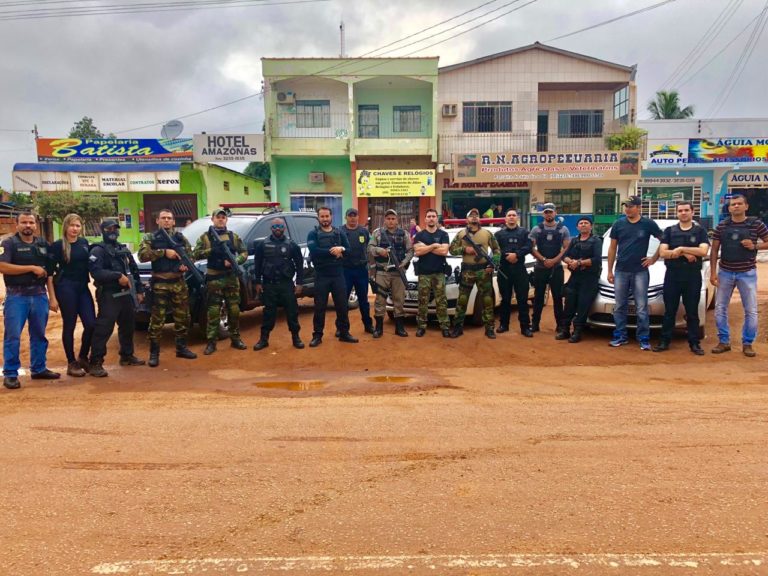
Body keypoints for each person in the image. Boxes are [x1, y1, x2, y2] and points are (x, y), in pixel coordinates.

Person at [0, 211, 60, 389]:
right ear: (17, 224)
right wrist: (31, 268)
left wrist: (52, 298)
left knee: (39, 335)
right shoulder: (8, 244)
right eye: (24, 222)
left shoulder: (43, 244)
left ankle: (39, 368)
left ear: (36, 225)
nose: (28, 225)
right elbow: (2, 266)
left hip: (39, 295)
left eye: (31, 222)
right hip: (16, 296)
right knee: (12, 336)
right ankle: (11, 373)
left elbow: (49, 273)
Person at [709, 194, 768, 357]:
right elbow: (714, 250)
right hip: (725, 272)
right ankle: (723, 341)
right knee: (720, 308)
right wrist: (713, 273)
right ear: (729, 208)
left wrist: (755, 245)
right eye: (733, 204)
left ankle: (747, 343)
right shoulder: (722, 226)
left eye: (739, 203)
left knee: (751, 310)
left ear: (746, 206)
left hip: (747, 273)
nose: (736, 206)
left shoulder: (756, 224)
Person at [138, 208, 197, 367]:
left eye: (169, 218)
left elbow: (191, 255)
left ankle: (181, 348)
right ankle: (154, 353)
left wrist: (184, 265)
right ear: (157, 220)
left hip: (178, 282)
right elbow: (142, 255)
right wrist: (164, 252)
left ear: (173, 221)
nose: (166, 220)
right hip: (160, 284)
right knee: (157, 320)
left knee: (183, 317)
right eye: (163, 218)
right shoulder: (150, 237)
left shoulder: (180, 237)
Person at [88, 219, 145, 377]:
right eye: (109, 229)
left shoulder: (123, 249)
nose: (113, 231)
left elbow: (134, 270)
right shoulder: (97, 250)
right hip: (109, 294)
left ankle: (127, 356)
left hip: (126, 294)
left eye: (115, 228)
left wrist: (139, 290)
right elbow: (96, 272)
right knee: (104, 329)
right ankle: (95, 362)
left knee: (128, 326)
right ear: (103, 231)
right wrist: (117, 276)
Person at [652, 203, 710, 355]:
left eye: (686, 210)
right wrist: (685, 253)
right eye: (680, 211)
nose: (683, 213)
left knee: (692, 312)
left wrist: (680, 249)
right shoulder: (670, 231)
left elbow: (703, 251)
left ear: (692, 212)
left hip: (692, 276)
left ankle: (694, 343)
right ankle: (664, 341)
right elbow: (663, 253)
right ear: (677, 213)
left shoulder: (700, 231)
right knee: (669, 311)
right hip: (673, 275)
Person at [606, 195, 663, 350]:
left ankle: (643, 338)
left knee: (641, 307)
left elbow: (664, 240)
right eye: (626, 206)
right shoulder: (618, 224)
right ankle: (620, 336)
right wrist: (610, 270)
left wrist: (653, 258)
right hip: (621, 271)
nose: (627, 209)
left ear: (639, 208)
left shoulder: (648, 224)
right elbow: (612, 248)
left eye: (631, 206)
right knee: (619, 306)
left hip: (640, 271)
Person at [193, 209, 248, 355]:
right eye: (218, 217)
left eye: (223, 217)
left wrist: (235, 260)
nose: (221, 219)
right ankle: (211, 342)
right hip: (214, 278)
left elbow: (244, 252)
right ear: (212, 219)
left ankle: (235, 338)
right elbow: (195, 254)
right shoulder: (205, 237)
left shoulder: (233, 236)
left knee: (234, 310)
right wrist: (211, 251)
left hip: (231, 278)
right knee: (213, 312)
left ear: (226, 220)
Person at [49, 213, 96, 377]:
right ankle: (71, 362)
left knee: (91, 324)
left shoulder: (83, 243)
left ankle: (83, 357)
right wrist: (52, 297)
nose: (75, 229)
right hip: (65, 287)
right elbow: (49, 274)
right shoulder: (58, 246)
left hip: (82, 287)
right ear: (65, 227)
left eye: (78, 225)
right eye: (72, 225)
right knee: (69, 324)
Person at [307, 206, 358, 347]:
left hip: (338, 275)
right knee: (319, 307)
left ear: (331, 217)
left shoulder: (339, 233)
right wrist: (334, 251)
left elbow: (349, 250)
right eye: (322, 216)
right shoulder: (313, 234)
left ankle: (344, 333)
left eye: (327, 216)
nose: (325, 219)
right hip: (321, 275)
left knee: (342, 306)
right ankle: (317, 335)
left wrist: (341, 248)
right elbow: (314, 251)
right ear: (318, 218)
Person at [251, 217, 305, 351]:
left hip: (286, 285)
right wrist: (258, 282)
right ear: (271, 228)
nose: (278, 229)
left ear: (284, 228)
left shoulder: (291, 245)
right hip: (269, 285)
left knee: (292, 312)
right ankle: (264, 339)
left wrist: (299, 283)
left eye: (280, 226)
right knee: (268, 313)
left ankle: (296, 337)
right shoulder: (263, 245)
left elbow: (299, 264)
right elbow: (257, 264)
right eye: (275, 227)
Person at [448, 207, 501, 339]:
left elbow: (496, 250)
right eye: (471, 215)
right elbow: (452, 250)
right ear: (467, 219)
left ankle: (489, 329)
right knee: (462, 300)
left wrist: (492, 264)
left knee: (487, 301)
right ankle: (458, 328)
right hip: (467, 271)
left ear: (479, 218)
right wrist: (465, 249)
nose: (474, 217)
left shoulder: (487, 233)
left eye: (476, 215)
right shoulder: (461, 234)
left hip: (483, 271)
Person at [369, 209, 414, 338]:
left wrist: (404, 262)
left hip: (398, 273)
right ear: (385, 220)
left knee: (399, 300)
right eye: (388, 218)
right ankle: (379, 328)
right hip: (382, 272)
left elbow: (411, 250)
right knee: (380, 300)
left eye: (393, 218)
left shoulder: (404, 234)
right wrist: (380, 251)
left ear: (397, 220)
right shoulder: (377, 233)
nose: (390, 221)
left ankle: (399, 328)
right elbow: (370, 248)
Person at [529, 203, 570, 337]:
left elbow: (566, 248)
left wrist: (554, 260)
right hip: (540, 268)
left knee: (557, 298)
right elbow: (531, 247)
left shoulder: (563, 229)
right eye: (546, 212)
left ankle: (560, 325)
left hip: (556, 268)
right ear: (543, 214)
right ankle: (535, 324)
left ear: (555, 213)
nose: (548, 214)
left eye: (551, 212)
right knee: (538, 297)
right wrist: (544, 259)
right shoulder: (536, 229)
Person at [560, 216, 602, 343]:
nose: (583, 225)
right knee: (569, 304)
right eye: (581, 223)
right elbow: (564, 256)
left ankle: (577, 332)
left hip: (589, 279)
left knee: (583, 305)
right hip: (575, 277)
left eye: (586, 223)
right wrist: (570, 262)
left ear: (591, 226)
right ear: (577, 227)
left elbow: (596, 259)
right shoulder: (574, 241)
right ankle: (565, 330)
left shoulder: (596, 241)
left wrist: (579, 263)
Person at [494, 208, 533, 337]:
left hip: (519, 269)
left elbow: (529, 246)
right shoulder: (499, 234)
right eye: (509, 215)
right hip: (504, 270)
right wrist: (507, 256)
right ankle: (503, 325)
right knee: (505, 299)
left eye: (514, 215)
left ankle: (525, 327)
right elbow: (495, 249)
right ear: (505, 218)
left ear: (517, 218)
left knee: (522, 299)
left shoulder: (524, 232)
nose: (511, 217)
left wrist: (516, 254)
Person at [413, 208, 451, 338]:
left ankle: (445, 327)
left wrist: (426, 247)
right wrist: (434, 245)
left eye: (433, 216)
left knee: (441, 301)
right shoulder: (419, 235)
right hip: (424, 273)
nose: (431, 218)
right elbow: (418, 252)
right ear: (425, 219)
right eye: (428, 216)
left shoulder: (443, 234)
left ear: (436, 219)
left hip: (439, 272)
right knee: (422, 301)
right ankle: (421, 327)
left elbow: (444, 251)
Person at [341, 208, 374, 335]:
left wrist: (371, 267)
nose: (352, 218)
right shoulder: (340, 231)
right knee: (343, 301)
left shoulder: (364, 231)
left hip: (361, 271)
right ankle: (341, 327)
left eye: (355, 215)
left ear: (358, 217)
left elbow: (370, 249)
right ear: (346, 217)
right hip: (345, 271)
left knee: (363, 301)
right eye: (350, 216)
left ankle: (368, 325)